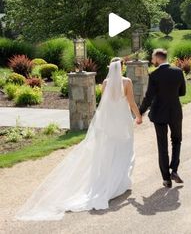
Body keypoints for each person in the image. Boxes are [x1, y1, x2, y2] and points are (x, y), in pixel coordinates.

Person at [15, 58, 142, 221]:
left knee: (108, 150)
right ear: (122, 67)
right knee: (124, 149)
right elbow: (131, 102)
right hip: (122, 119)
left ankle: (112, 180)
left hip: (109, 121)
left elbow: (104, 105)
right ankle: (120, 182)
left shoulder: (105, 82)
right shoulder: (127, 82)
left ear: (110, 68)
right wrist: (138, 116)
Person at [139, 48, 186, 188]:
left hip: (159, 113)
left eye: (153, 58)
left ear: (158, 59)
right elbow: (182, 92)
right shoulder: (178, 72)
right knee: (177, 140)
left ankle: (166, 179)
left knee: (162, 145)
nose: (152, 61)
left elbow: (148, 97)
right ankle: (175, 170)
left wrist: (140, 112)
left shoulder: (154, 75)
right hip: (175, 112)